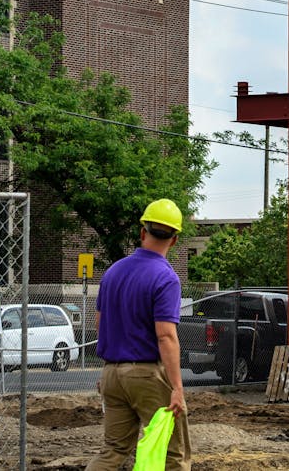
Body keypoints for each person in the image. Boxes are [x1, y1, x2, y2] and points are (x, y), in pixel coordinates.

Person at [87, 198, 191, 471]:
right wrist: (177, 388)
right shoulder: (166, 278)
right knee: (172, 455)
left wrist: (112, 370)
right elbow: (166, 336)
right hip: (146, 376)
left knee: (112, 451)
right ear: (175, 240)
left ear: (143, 232)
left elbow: (100, 323)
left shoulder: (113, 272)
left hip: (112, 374)